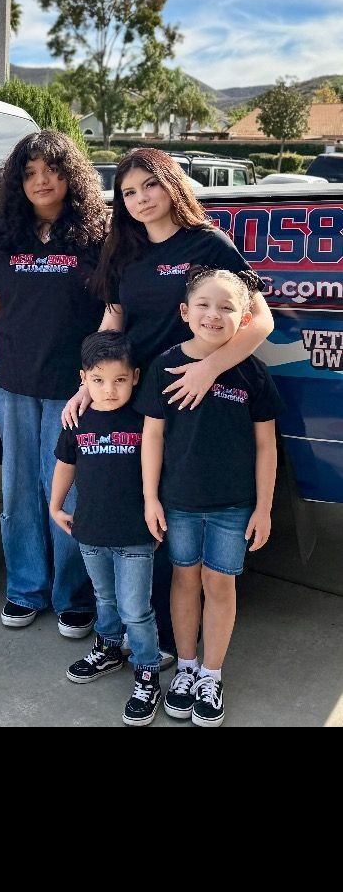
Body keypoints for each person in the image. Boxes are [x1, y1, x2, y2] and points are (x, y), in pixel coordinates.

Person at [62, 148, 275, 655]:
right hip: (136, 394)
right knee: (138, 511)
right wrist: (88, 382)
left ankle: (175, 648)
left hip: (198, 397)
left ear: (172, 184)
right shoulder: (124, 251)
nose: (139, 200)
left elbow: (260, 320)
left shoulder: (209, 244)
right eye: (129, 192)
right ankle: (137, 635)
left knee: (178, 521)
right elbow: (113, 320)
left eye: (149, 186)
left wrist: (210, 368)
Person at [136, 268, 283, 727]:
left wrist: (263, 507)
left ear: (244, 320)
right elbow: (153, 437)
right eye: (203, 304)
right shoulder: (164, 366)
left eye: (226, 307)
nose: (213, 315)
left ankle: (211, 673)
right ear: (185, 312)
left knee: (220, 585)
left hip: (234, 508)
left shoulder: (252, 374)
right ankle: (185, 667)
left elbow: (266, 445)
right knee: (184, 580)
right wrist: (149, 498)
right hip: (177, 502)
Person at [0, 130, 107, 637]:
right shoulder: (4, 235)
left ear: (69, 174)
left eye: (51, 170)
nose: (40, 180)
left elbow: (111, 312)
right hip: (13, 383)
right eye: (29, 172)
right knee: (18, 492)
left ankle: (72, 595)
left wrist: (94, 381)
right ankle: (25, 589)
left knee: (68, 493)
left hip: (71, 389)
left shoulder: (97, 236)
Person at [50, 331, 164, 726]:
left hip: (135, 534)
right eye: (98, 380)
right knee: (104, 597)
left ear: (135, 376)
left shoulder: (146, 418)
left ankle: (147, 670)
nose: (109, 390)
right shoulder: (77, 419)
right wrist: (54, 505)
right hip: (90, 530)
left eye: (119, 379)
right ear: (83, 378)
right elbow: (65, 463)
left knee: (136, 609)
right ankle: (109, 648)